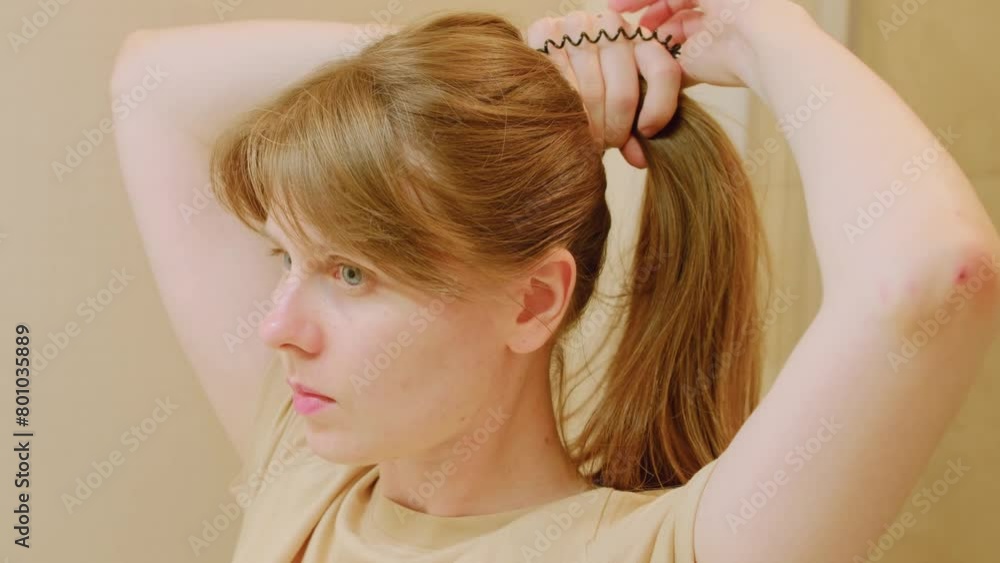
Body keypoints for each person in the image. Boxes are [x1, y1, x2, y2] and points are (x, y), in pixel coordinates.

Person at [110, 0, 1000, 561]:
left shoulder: (683, 546)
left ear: (535, 301)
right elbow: (149, 82)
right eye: (286, 260)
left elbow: (937, 272)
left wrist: (763, 29)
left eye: (350, 271)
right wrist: (511, 80)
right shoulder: (305, 474)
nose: (278, 327)